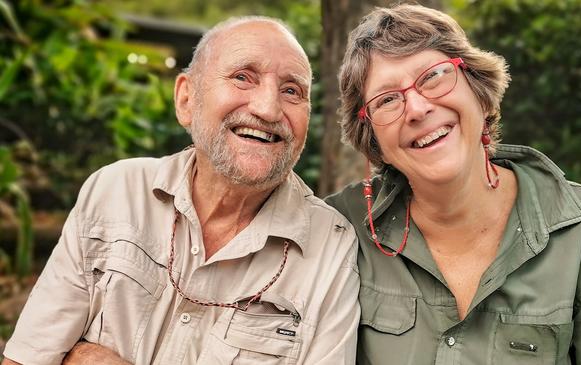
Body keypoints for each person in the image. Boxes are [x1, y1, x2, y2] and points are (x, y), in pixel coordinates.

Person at [2, 16, 360, 365]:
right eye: (242, 77)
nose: (268, 108)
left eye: (292, 91)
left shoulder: (331, 246)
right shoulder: (116, 191)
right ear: (186, 100)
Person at [325, 4, 581, 364]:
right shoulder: (340, 226)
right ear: (371, 136)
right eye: (387, 100)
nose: (416, 108)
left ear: (477, 87)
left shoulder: (578, 227)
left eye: (432, 76)